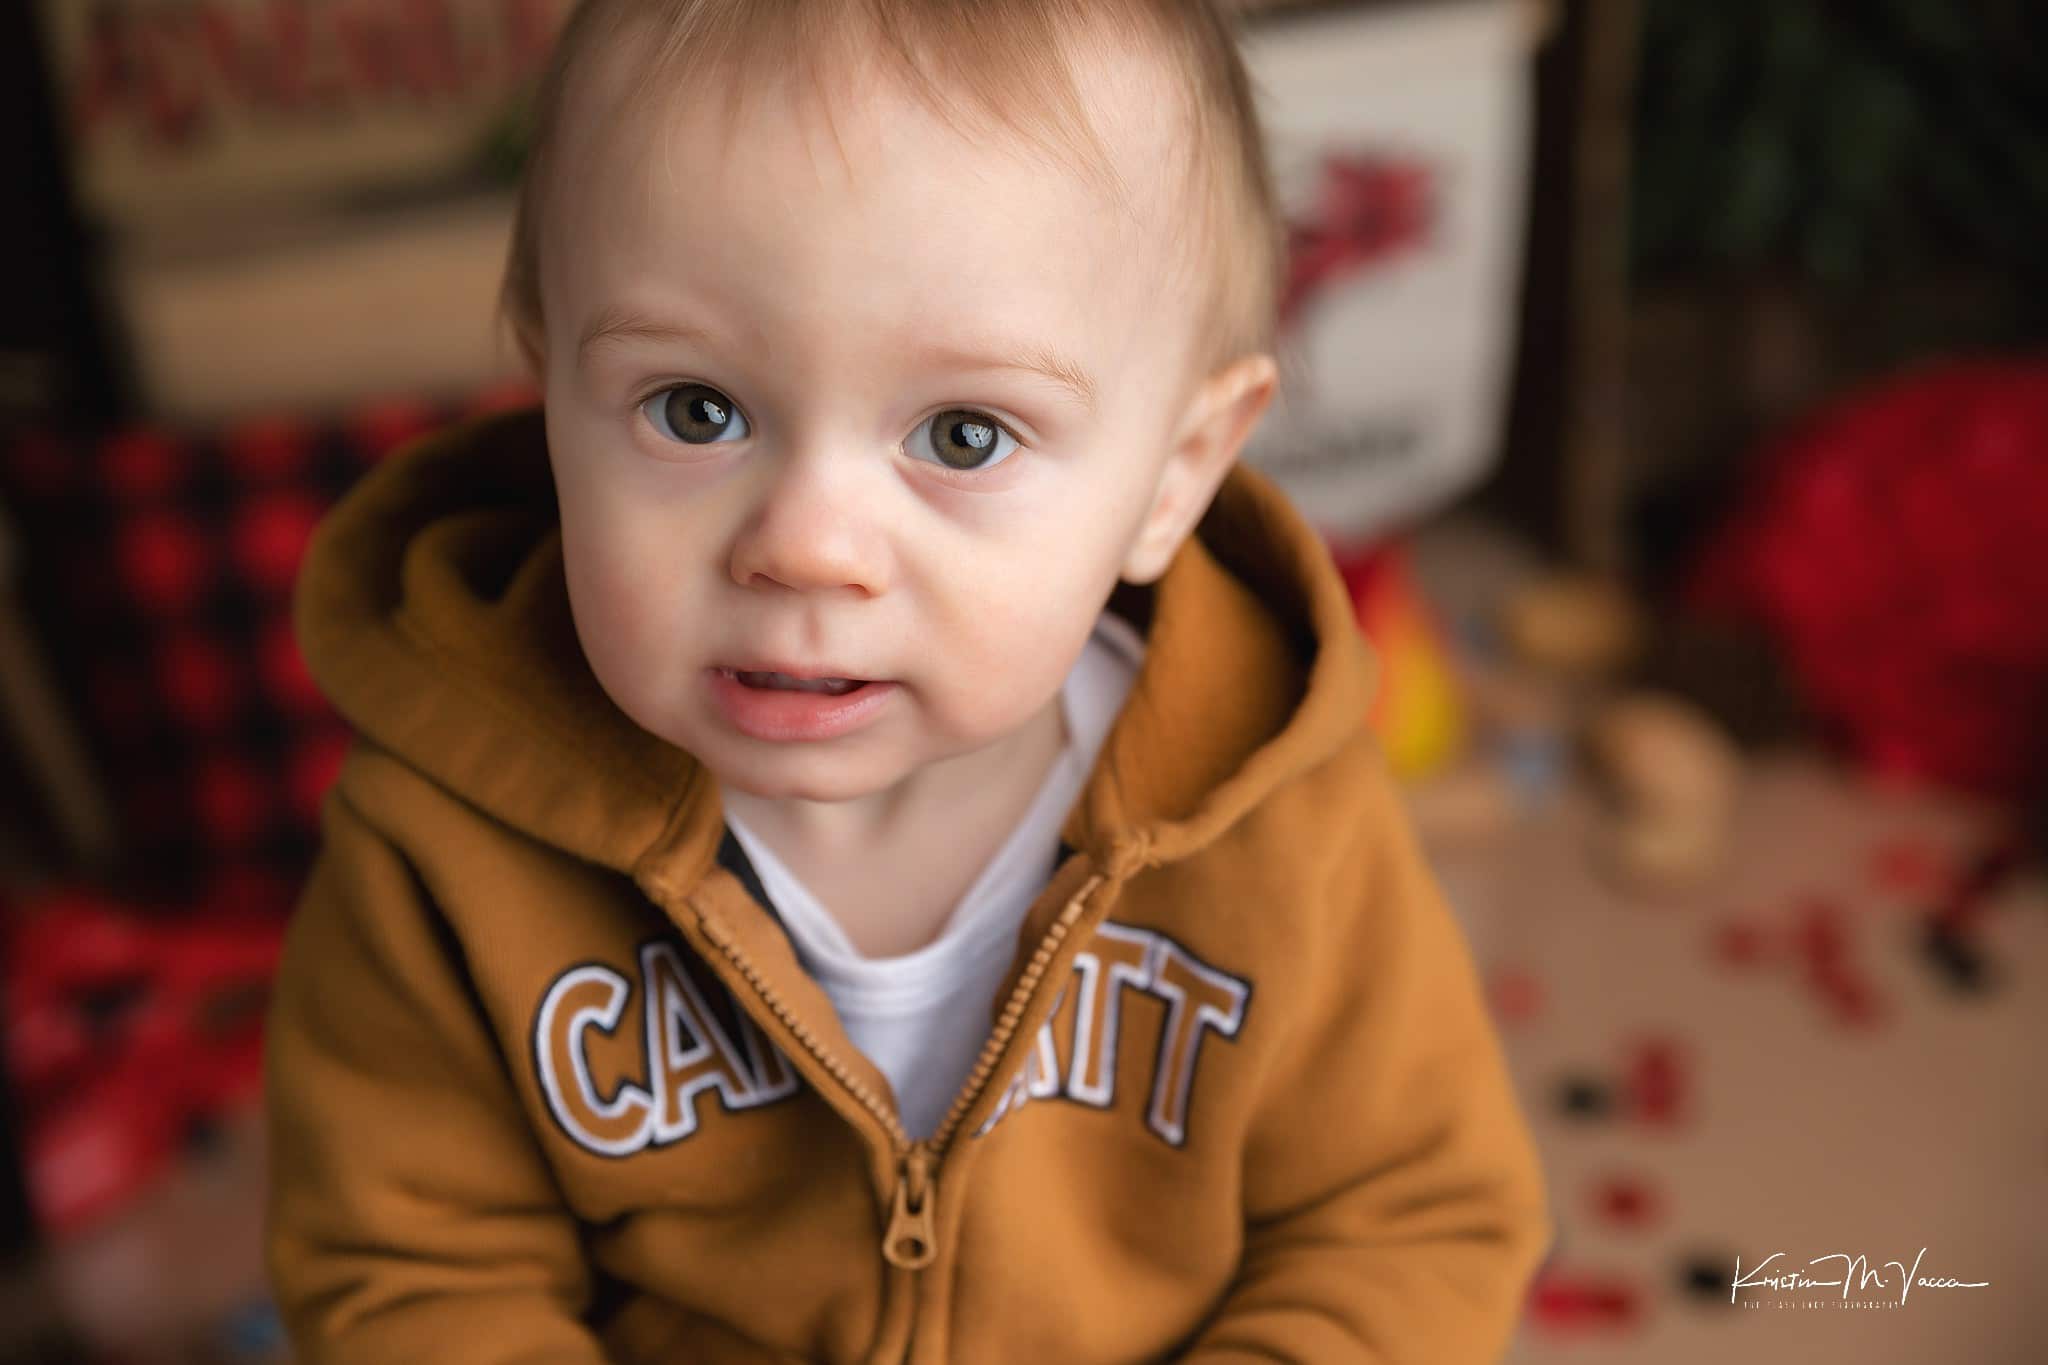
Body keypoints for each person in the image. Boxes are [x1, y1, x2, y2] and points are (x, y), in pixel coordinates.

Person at [262, 0, 1553, 1359]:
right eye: (695, 408)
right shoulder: (446, 847)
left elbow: (1407, 1218)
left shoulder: (1279, 826)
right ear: (551, 401)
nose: (807, 546)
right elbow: (411, 1272)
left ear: (1173, 478)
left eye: (964, 433)